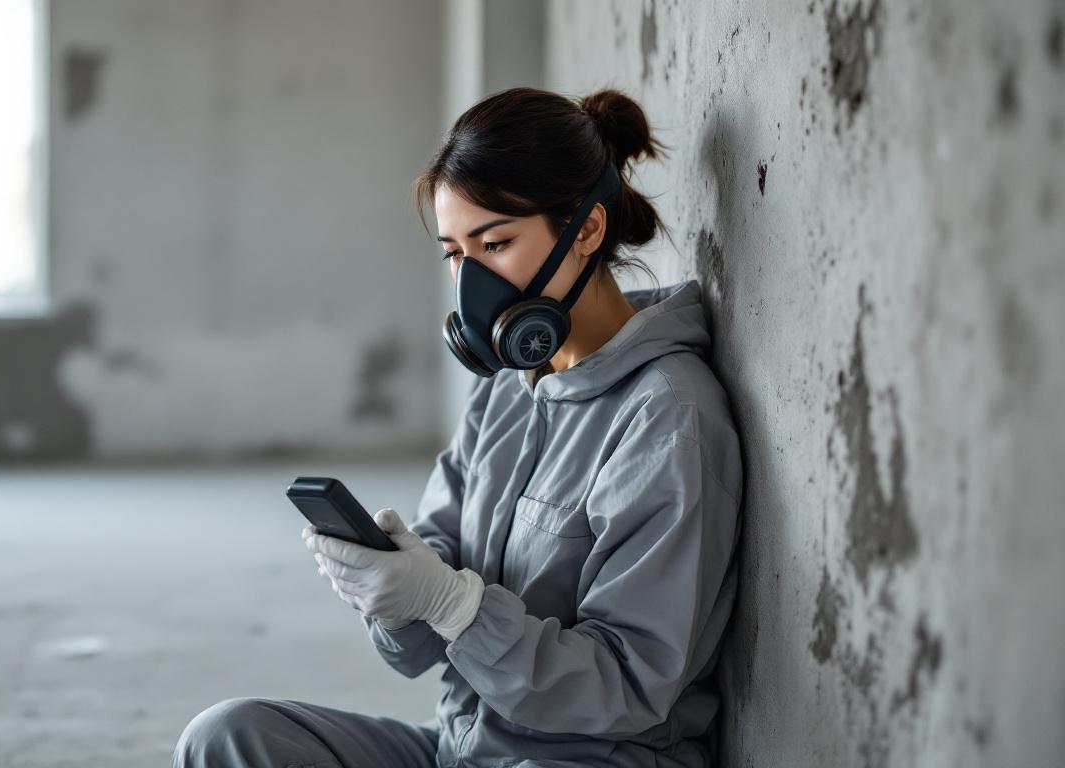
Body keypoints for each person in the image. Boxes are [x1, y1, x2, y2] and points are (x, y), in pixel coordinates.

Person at [173, 86, 744, 768]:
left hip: (589, 759)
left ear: (586, 230)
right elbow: (420, 640)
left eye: (496, 243)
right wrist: (391, 592)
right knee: (228, 737)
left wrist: (454, 605)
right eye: (454, 253)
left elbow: (627, 688)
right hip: (465, 751)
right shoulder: (507, 390)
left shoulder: (668, 420)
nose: (472, 282)